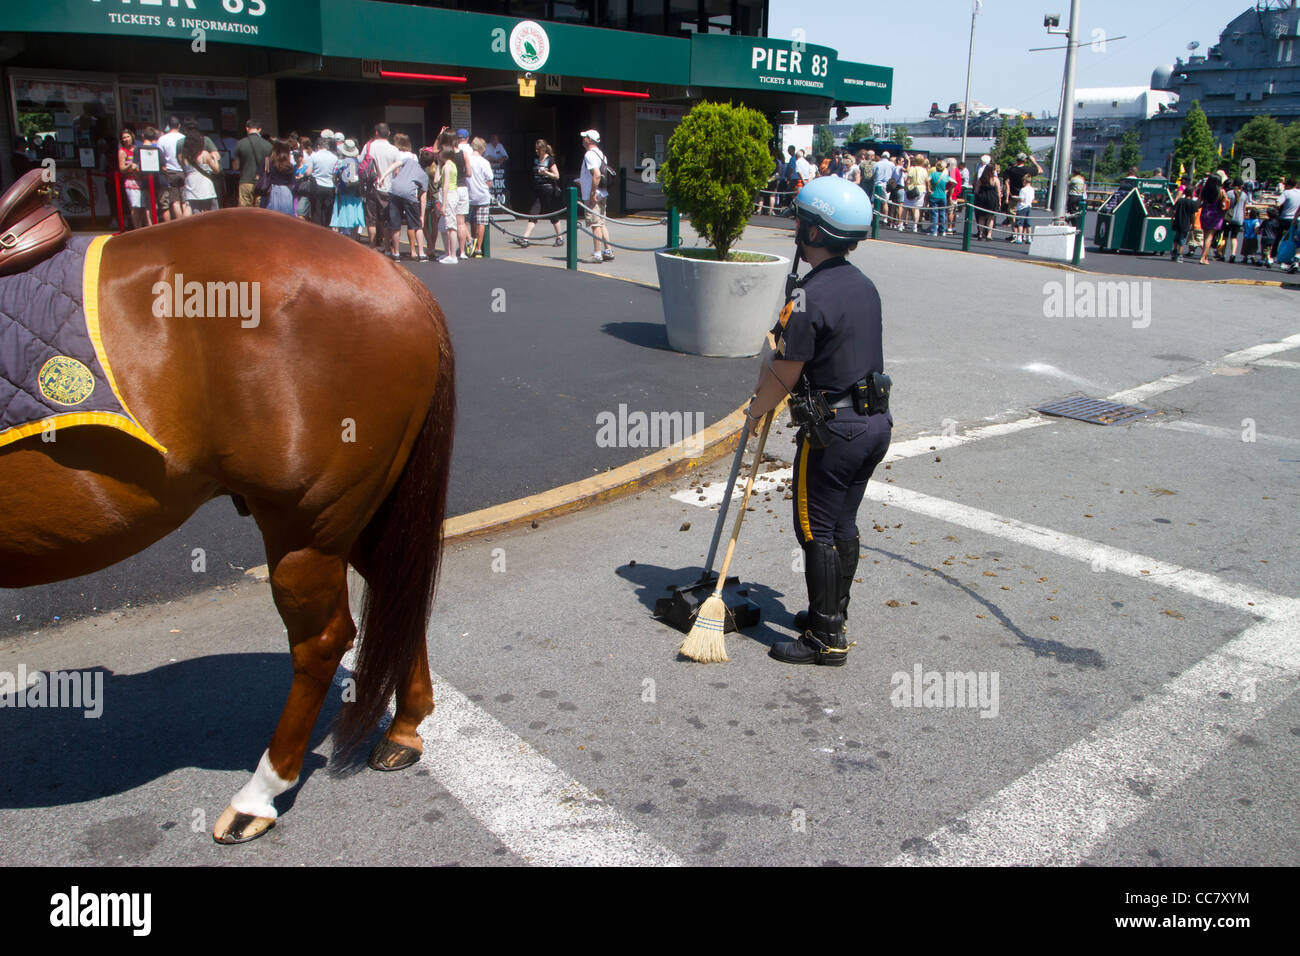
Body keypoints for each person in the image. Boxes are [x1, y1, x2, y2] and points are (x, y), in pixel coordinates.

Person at [741, 176, 889, 667]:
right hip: (873, 425)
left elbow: (785, 370)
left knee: (815, 529)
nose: (797, 231)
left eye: (802, 224)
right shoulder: (862, 285)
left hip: (835, 432)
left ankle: (826, 638)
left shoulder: (809, 294)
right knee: (842, 522)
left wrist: (755, 410)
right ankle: (832, 614)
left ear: (817, 233)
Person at [383, 133, 426, 260]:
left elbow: (395, 171)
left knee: (393, 223)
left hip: (395, 189)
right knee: (412, 223)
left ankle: (393, 250)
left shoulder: (396, 154)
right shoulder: (413, 156)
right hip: (411, 192)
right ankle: (414, 250)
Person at [517, 139, 564, 246]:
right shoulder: (536, 160)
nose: (536, 151)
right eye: (536, 149)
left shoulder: (550, 160)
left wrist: (546, 172)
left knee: (552, 214)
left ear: (543, 149)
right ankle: (525, 239)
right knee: (533, 214)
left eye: (538, 149)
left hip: (548, 190)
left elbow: (557, 176)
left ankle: (559, 238)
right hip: (537, 190)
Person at [578, 128, 613, 263]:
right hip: (603, 192)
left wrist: (592, 194)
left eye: (585, 137)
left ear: (590, 140)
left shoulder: (589, 155)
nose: (583, 139)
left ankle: (597, 254)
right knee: (601, 223)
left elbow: (597, 174)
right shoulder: (601, 154)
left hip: (594, 194)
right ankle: (608, 251)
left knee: (595, 225)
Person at [331, 138, 366, 240]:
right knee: (354, 217)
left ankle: (346, 240)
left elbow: (344, 178)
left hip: (346, 192)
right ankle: (353, 238)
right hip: (356, 193)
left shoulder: (345, 161)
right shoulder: (357, 160)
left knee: (345, 217)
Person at [180, 126, 220, 214]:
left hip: (191, 188)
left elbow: (184, 170)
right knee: (213, 214)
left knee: (195, 214)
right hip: (206, 188)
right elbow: (217, 170)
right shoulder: (204, 154)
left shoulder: (184, 157)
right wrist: (215, 160)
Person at [233, 118, 272, 208]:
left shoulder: (240, 144)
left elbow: (235, 166)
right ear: (259, 129)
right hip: (262, 183)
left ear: (247, 128)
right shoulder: (268, 145)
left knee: (245, 213)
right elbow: (269, 166)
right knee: (260, 211)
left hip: (245, 181)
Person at [1002, 152, 1040, 240]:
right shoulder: (1028, 170)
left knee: (1012, 215)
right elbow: (1040, 170)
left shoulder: (1010, 170)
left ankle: (1015, 234)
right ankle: (1022, 235)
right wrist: (1034, 161)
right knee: (1024, 216)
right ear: (1025, 160)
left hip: (1014, 195)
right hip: (1026, 196)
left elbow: (1006, 183)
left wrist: (1007, 196)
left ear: (1017, 160)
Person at [467, 137, 494, 257]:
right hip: (482, 196)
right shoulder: (484, 162)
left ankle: (471, 242)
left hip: (469, 195)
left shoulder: (466, 160)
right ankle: (478, 249)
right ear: (482, 148)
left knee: (468, 222)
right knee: (481, 223)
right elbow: (489, 180)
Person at [436, 134, 461, 264]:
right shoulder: (449, 165)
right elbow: (437, 180)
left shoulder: (448, 166)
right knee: (444, 226)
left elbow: (445, 186)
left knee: (451, 226)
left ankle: (452, 255)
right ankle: (447, 253)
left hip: (449, 195)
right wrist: (438, 165)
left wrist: (444, 205)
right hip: (449, 195)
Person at [157, 116, 187, 221]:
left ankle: (180, 224)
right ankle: (187, 222)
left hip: (170, 172)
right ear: (179, 125)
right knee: (185, 201)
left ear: (168, 126)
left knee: (175, 201)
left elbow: (160, 156)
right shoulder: (183, 137)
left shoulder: (162, 139)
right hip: (184, 171)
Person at [117, 128, 147, 230]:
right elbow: (121, 169)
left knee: (143, 206)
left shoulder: (137, 148)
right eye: (123, 138)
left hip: (141, 180)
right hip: (131, 181)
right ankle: (137, 229)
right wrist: (129, 166)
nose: (126, 139)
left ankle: (142, 227)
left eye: (127, 137)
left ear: (132, 137)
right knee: (135, 207)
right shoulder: (122, 151)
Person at [306, 136, 338, 227]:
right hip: (330, 187)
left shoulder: (313, 156)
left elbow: (308, 172)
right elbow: (335, 173)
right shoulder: (334, 157)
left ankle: (317, 232)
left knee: (317, 211)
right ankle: (326, 228)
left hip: (317, 185)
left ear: (318, 146)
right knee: (328, 211)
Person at [262, 138, 297, 216]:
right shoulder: (289, 165)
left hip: (271, 191)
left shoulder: (269, 162)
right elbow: (292, 183)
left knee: (271, 217)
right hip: (286, 192)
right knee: (286, 218)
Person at [1198, 173, 1226, 266]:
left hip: (1205, 213)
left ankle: (1205, 256)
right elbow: (1224, 204)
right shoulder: (1221, 191)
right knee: (1209, 237)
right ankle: (1203, 257)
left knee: (1206, 236)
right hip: (1215, 215)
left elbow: (1198, 203)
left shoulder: (1204, 190)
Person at [1170, 184, 1198, 263]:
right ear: (1192, 193)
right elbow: (1193, 215)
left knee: (1176, 237)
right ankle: (1180, 254)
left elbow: (1174, 211)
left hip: (1177, 221)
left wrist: (1172, 219)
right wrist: (1192, 223)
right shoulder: (1192, 203)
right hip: (1186, 223)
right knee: (1182, 239)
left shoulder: (1180, 200)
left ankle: (1174, 251)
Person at [1223, 178, 1247, 264]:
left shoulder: (1229, 193)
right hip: (1239, 218)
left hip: (1229, 217)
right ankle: (1233, 254)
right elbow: (1244, 208)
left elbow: (1225, 205)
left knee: (1225, 236)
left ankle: (1223, 254)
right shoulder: (1244, 195)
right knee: (1234, 237)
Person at [975, 162, 1000, 240]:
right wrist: (999, 201)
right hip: (992, 198)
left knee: (981, 217)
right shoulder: (995, 179)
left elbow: (976, 190)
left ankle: (980, 234)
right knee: (990, 218)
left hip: (982, 198)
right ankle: (989, 235)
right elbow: (998, 191)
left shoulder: (981, 179)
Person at [928, 159, 949, 236]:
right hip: (943, 196)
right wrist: (947, 190)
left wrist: (929, 188)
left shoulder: (933, 174)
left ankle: (933, 231)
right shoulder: (945, 176)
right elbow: (954, 182)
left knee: (934, 213)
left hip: (934, 195)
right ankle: (942, 230)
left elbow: (927, 180)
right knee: (942, 213)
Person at [1014, 176, 1035, 244]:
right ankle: (1029, 238)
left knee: (1020, 223)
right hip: (1028, 206)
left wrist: (1016, 198)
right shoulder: (1032, 189)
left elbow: (1022, 199)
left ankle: (1019, 237)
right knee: (1028, 223)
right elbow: (1032, 199)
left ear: (1024, 181)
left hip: (1022, 207)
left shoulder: (1023, 190)